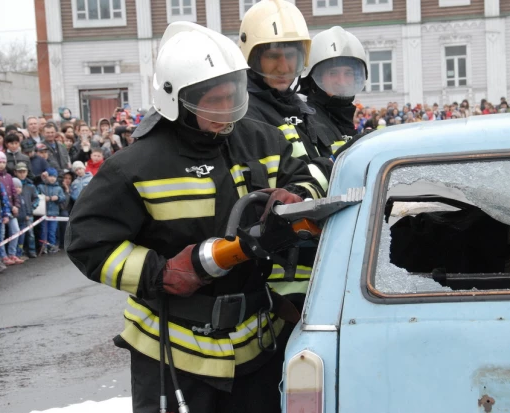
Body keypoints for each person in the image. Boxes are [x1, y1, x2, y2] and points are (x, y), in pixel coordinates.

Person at [67, 21, 322, 413]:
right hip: (173, 352)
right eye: (213, 101)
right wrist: (160, 272)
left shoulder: (262, 139)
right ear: (176, 101)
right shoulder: (135, 167)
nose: (226, 112)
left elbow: (311, 176)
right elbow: (89, 243)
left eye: (233, 96)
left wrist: (298, 196)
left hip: (257, 342)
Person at [238, 0, 331, 198]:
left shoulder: (297, 107)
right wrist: (334, 165)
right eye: (273, 56)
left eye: (290, 56)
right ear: (252, 58)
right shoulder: (247, 114)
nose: (284, 67)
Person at [299, 26, 367, 156]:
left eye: (348, 73)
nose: (341, 81)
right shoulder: (306, 121)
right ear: (315, 79)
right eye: (333, 73)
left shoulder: (342, 116)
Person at [0, 151, 24, 265]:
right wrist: (10, 206)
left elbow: (14, 192)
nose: (1, 164)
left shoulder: (9, 176)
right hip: (1, 210)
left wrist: (16, 205)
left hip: (11, 209)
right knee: (1, 233)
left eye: (3, 162)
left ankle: (12, 253)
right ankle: (3, 255)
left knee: (15, 231)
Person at [37, 167, 65, 254]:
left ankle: (52, 245)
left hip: (54, 213)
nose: (52, 178)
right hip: (44, 213)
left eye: (54, 176)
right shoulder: (41, 186)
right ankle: (43, 246)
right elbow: (37, 196)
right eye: (50, 176)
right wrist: (43, 198)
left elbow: (63, 197)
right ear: (46, 176)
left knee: (52, 231)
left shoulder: (58, 188)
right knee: (44, 230)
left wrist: (58, 198)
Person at [14, 162, 38, 259]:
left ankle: (32, 250)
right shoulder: (14, 184)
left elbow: (36, 198)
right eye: (20, 172)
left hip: (29, 214)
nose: (22, 174)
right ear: (16, 172)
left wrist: (32, 207)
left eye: (24, 172)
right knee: (18, 234)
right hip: (17, 214)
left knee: (30, 234)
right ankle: (18, 252)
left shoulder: (30, 185)